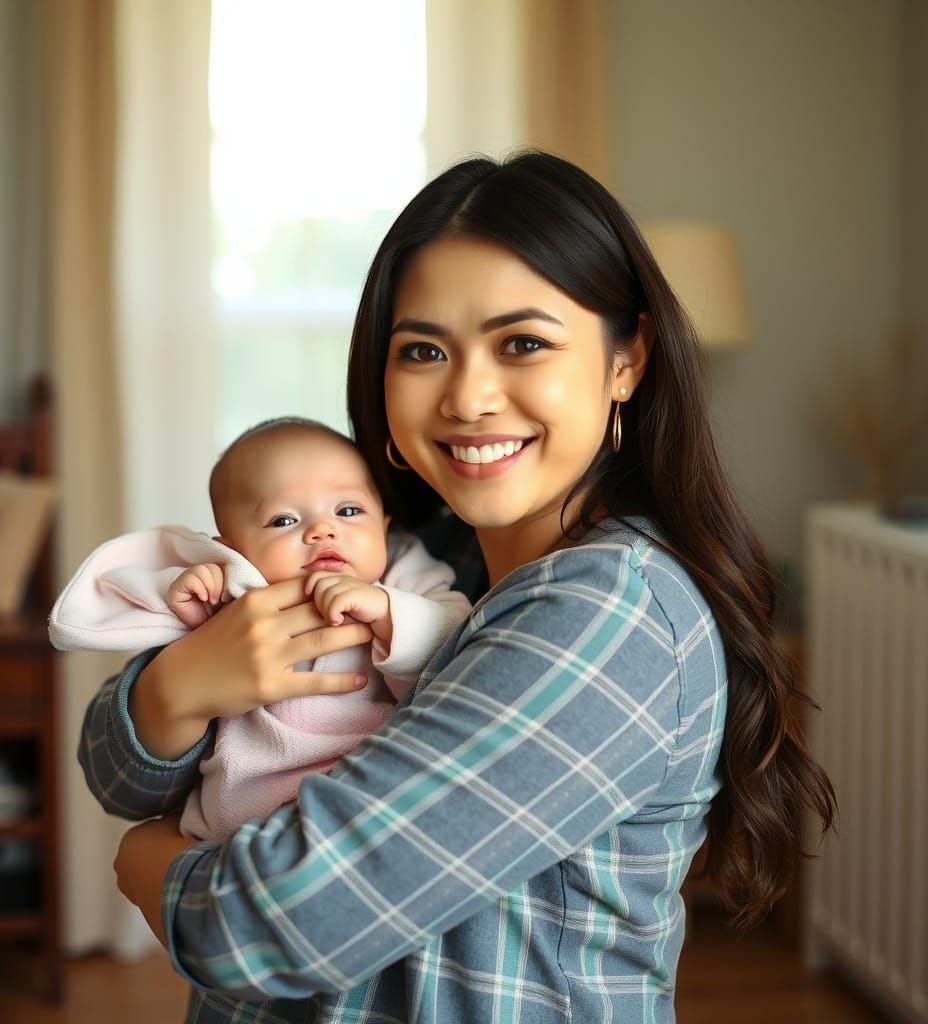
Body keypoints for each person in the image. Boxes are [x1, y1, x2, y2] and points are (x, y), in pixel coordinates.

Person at [79, 151, 835, 1023]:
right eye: (425, 350)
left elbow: (279, 920)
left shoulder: (609, 612)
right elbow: (120, 770)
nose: (470, 397)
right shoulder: (404, 557)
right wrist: (181, 684)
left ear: (626, 360)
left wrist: (147, 861)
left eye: (523, 343)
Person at [53, 418, 470, 839]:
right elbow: (155, 624)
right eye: (283, 520)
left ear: (383, 527)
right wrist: (189, 596)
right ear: (233, 548)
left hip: (359, 807)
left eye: (348, 511)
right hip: (241, 820)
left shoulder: (403, 579)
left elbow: (455, 637)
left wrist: (387, 612)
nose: (323, 530)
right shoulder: (238, 593)